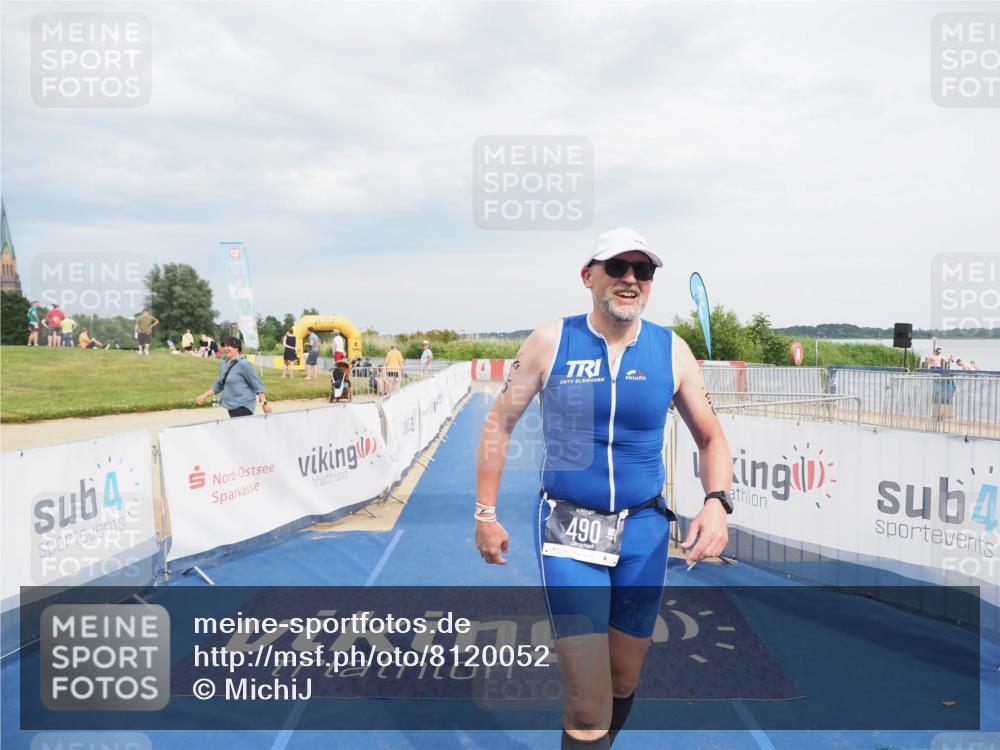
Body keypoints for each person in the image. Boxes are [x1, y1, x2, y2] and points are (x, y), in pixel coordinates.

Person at [475, 228, 733, 749]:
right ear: (588, 276)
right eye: (617, 267)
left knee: (622, 680)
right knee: (589, 701)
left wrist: (717, 502)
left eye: (644, 271)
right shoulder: (551, 341)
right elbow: (498, 425)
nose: (630, 279)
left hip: (643, 530)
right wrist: (485, 514)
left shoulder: (671, 350)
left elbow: (712, 438)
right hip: (570, 529)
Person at [196, 336, 271, 418]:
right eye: (224, 346)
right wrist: (204, 396)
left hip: (243, 406)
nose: (225, 348)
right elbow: (219, 385)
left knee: (239, 429)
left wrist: (264, 403)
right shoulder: (225, 364)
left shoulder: (244, 364)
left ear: (237, 348)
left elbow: (257, 384)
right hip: (232, 406)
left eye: (229, 346)